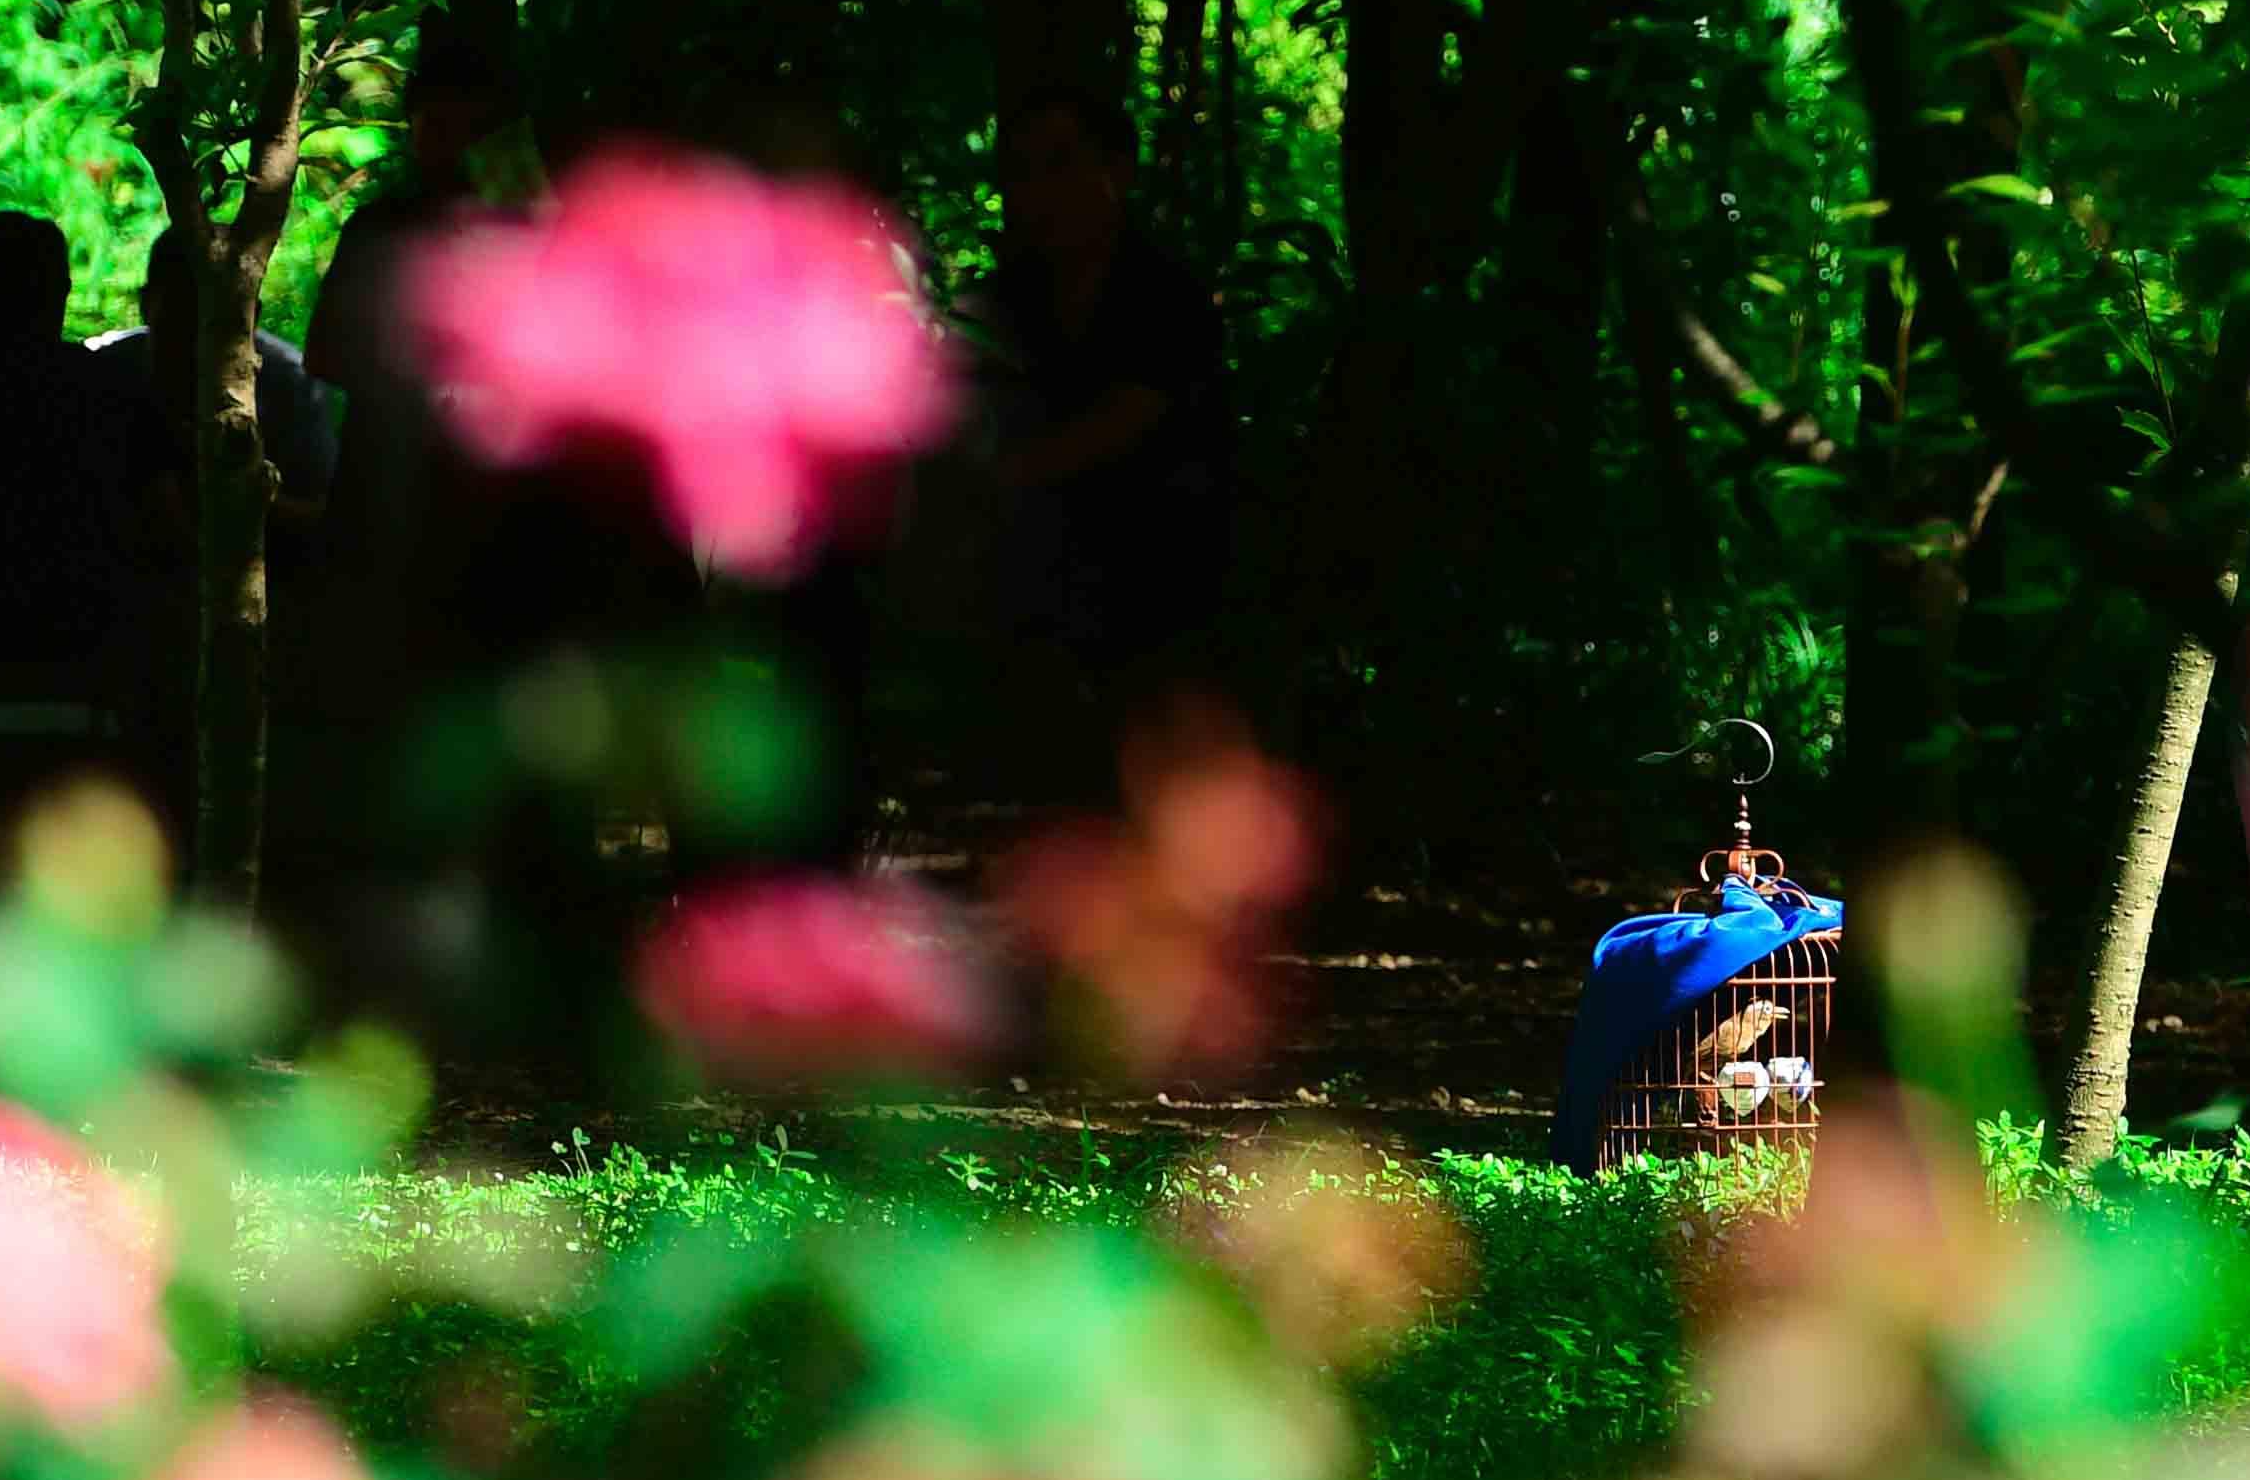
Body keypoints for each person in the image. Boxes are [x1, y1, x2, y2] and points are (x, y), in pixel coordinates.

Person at [972, 86, 1235, 796]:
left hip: (1162, 583)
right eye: (1023, 170)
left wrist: (1000, 476)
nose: (1040, 191)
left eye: (1062, 164)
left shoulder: (1168, 294)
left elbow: (1126, 421)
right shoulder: (1007, 300)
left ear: (1117, 170)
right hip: (1037, 588)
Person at [0, 212, 183, 830]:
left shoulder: (116, 384)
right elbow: (167, 521)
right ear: (60, 293)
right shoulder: (116, 386)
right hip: (94, 682)